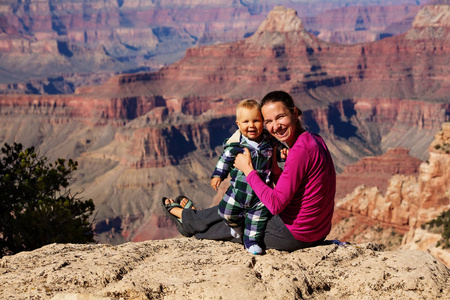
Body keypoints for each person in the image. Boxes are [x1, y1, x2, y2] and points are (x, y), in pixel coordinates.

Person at [161, 90, 335, 252]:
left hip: (295, 234)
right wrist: (275, 171)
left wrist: (248, 170)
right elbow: (296, 188)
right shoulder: (314, 140)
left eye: (280, 117)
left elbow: (275, 205)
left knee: (245, 223)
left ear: (295, 113)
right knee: (240, 202)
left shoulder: (298, 151)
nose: (275, 127)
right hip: (318, 229)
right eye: (268, 121)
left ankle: (187, 222)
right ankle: (193, 217)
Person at [211, 99, 283, 255]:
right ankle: (236, 227)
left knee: (257, 221)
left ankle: (251, 243)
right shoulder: (236, 145)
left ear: (263, 122)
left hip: (261, 193)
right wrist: (218, 175)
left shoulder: (268, 142)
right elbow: (225, 160)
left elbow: (277, 152)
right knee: (225, 211)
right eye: (246, 121)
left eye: (256, 121)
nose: (251, 125)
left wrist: (283, 153)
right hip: (239, 190)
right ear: (238, 124)